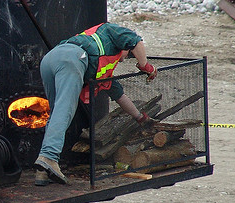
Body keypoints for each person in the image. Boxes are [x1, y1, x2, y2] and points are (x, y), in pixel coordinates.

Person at [34, 22, 158, 186]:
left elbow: (120, 97)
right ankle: (48, 157)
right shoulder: (112, 32)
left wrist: (140, 117)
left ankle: (42, 173)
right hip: (71, 59)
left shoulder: (105, 70)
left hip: (50, 59)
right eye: (129, 54)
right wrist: (147, 67)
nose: (126, 58)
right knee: (65, 112)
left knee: (57, 113)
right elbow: (136, 41)